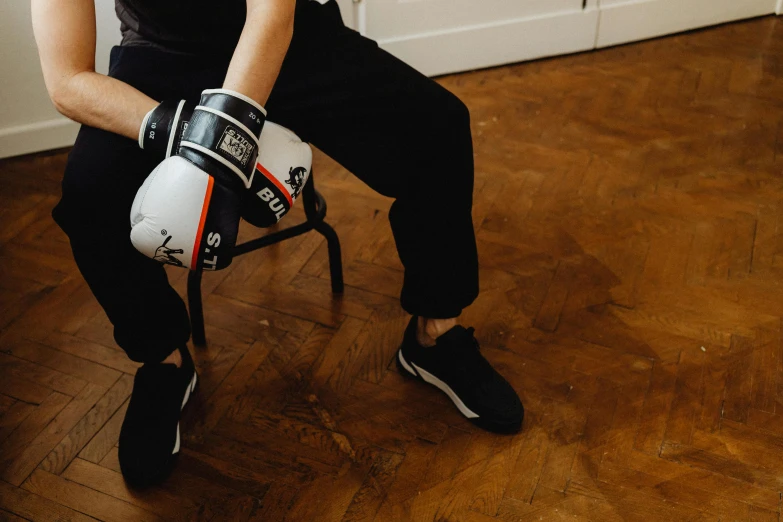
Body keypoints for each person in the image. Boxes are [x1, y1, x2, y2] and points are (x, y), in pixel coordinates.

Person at [31, 0, 524, 487]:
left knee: (438, 129)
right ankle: (163, 360)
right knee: (87, 201)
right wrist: (195, 137)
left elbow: (270, 16)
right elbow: (67, 81)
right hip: (162, 60)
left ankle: (433, 337)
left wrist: (228, 139)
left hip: (287, 40)